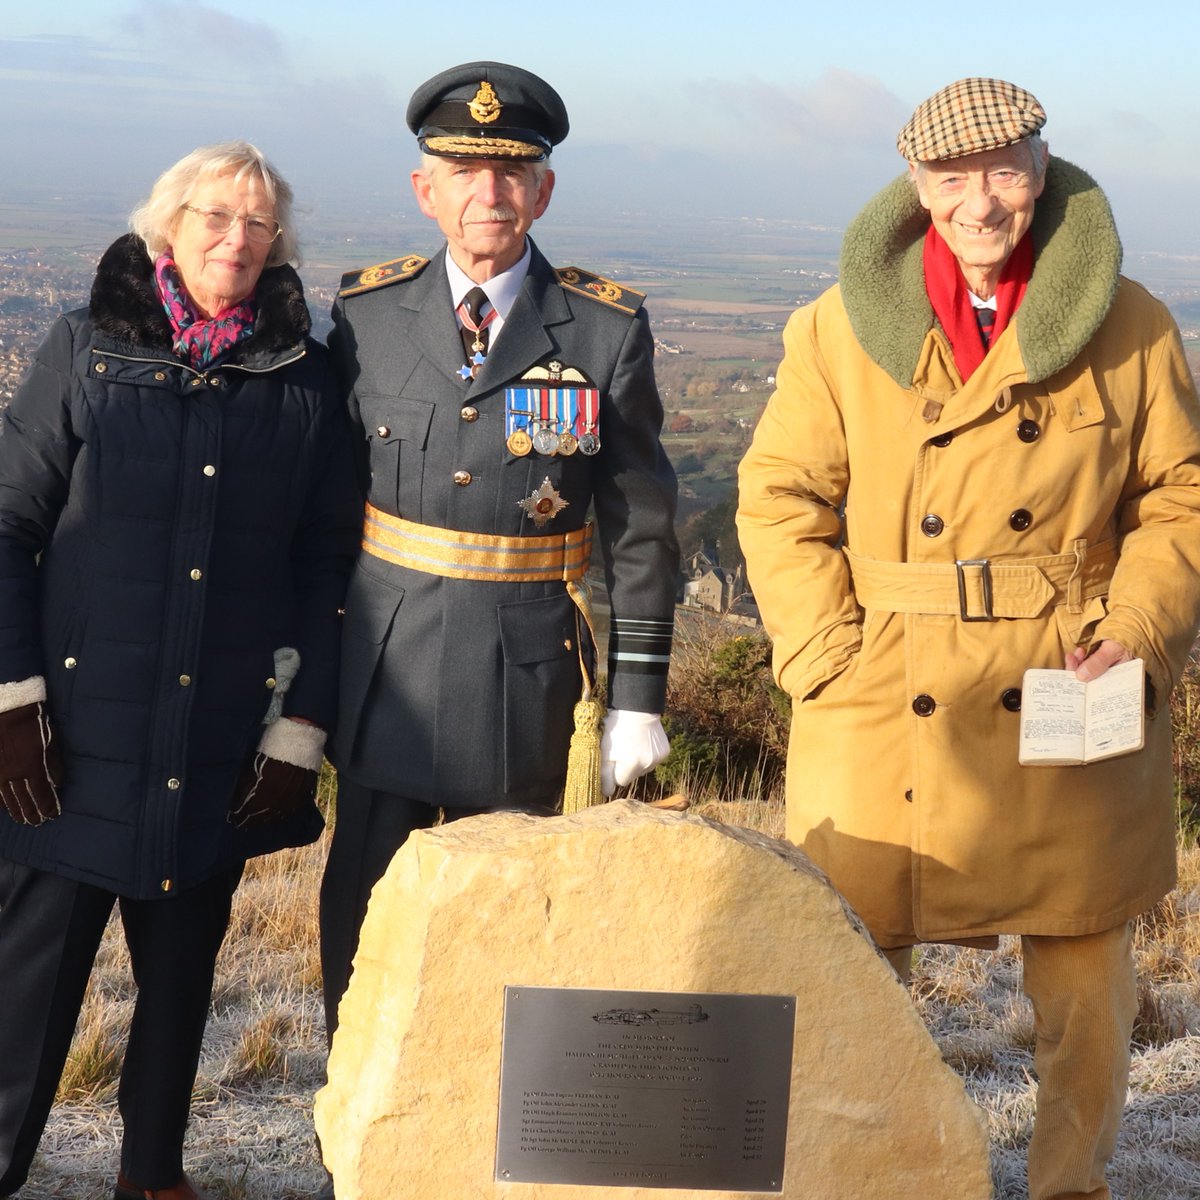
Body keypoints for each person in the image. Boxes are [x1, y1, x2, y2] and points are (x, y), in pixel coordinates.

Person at [736, 77, 1200, 1200]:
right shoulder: (837, 328)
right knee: (849, 963)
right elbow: (778, 494)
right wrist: (821, 655)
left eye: (1004, 171)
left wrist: (1134, 632)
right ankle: (864, 1176)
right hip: (879, 686)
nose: (980, 202)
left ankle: (1070, 1186)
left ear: (1041, 169)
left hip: (1070, 669)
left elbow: (1180, 498)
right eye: (953, 178)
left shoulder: (1132, 321)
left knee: (1087, 978)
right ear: (917, 187)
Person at [0, 141, 360, 1200]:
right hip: (66, 748)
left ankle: (153, 1173)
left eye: (257, 224)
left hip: (214, 748)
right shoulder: (87, 351)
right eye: (214, 218)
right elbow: (6, 525)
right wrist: (11, 701)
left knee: (182, 983)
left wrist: (299, 734)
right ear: (168, 228)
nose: (236, 240)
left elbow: (323, 566)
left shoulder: (303, 381)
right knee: (23, 991)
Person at [320, 61, 679, 1041]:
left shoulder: (604, 330)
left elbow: (642, 523)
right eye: (464, 167)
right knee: (365, 917)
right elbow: (319, 508)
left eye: (514, 169)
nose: (490, 191)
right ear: (424, 187)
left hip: (529, 677)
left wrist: (638, 697)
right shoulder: (365, 318)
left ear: (544, 190)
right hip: (384, 666)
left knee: (516, 918)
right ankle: (353, 1143)